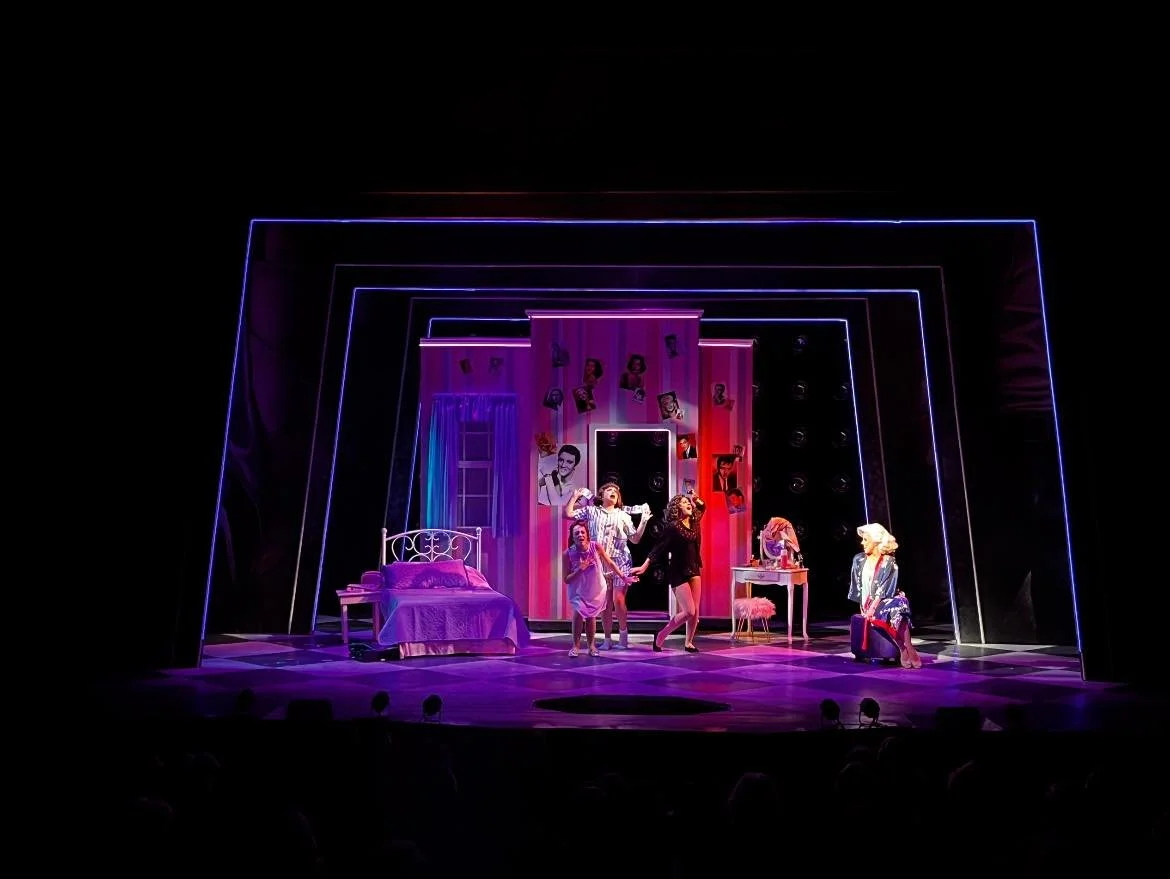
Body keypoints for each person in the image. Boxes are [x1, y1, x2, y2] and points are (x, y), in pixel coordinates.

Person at [566, 484, 651, 649]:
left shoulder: (623, 516)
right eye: (609, 490)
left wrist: (643, 521)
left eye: (616, 492)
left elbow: (635, 539)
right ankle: (606, 639)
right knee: (605, 603)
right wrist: (575, 497)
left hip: (620, 560)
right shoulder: (592, 511)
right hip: (599, 561)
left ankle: (623, 637)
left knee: (618, 600)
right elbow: (568, 514)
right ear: (601, 495)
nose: (613, 492)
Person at [631, 494, 706, 652]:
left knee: (696, 611)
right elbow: (659, 548)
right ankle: (661, 634)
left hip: (694, 568)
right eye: (684, 502)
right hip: (678, 571)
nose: (689, 505)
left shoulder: (694, 521)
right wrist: (644, 566)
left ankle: (688, 642)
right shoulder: (673, 527)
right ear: (677, 508)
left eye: (689, 503)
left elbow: (702, 506)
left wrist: (696, 498)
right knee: (689, 611)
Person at [848, 523, 921, 668]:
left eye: (865, 539)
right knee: (898, 604)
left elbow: (885, 588)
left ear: (875, 541)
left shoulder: (889, 561)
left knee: (900, 602)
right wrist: (864, 609)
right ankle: (905, 648)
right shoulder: (858, 559)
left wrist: (875, 605)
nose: (862, 543)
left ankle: (907, 647)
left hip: (883, 598)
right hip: (868, 602)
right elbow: (856, 587)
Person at [563, 521, 634, 657]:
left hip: (595, 588)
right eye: (576, 533)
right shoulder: (568, 553)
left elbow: (610, 563)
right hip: (578, 590)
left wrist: (623, 577)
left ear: (587, 534)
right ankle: (575, 647)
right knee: (578, 614)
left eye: (583, 532)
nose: (580, 535)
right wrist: (580, 569)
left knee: (591, 617)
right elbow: (566, 579)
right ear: (572, 536)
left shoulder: (595, 547)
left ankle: (591, 646)